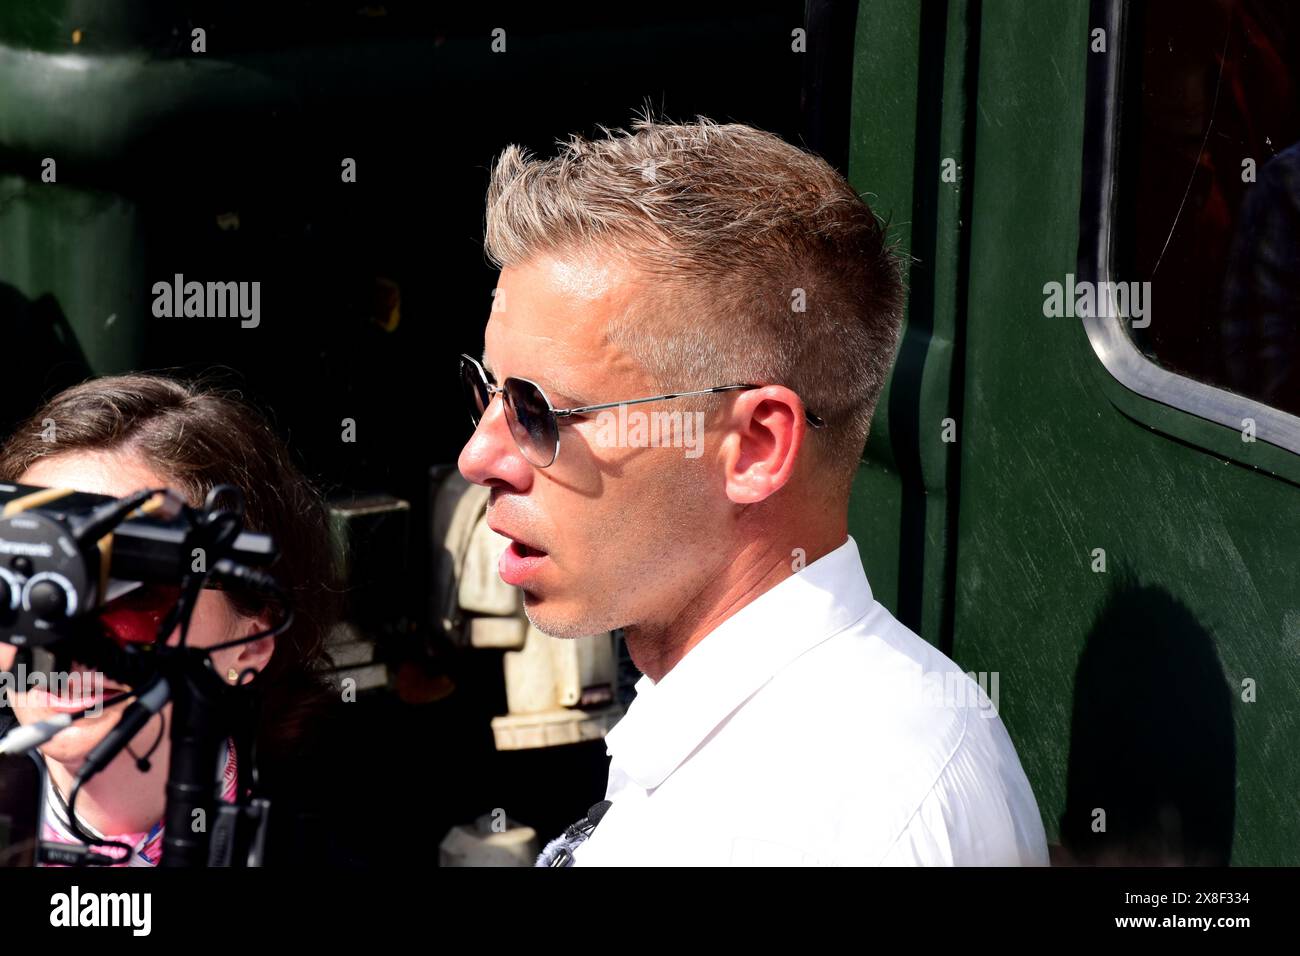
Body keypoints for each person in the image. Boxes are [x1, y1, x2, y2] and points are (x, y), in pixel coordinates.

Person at [458, 116, 1050, 865]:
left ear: (757, 446)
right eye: (486, 391)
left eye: (537, 410)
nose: (479, 455)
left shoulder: (841, 818)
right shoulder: (771, 746)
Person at [0, 373, 354, 866]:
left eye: (132, 588)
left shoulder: (340, 841)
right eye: (25, 576)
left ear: (251, 641)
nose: (58, 637)